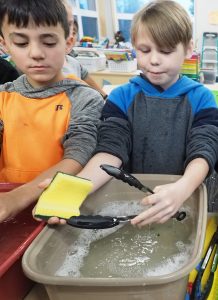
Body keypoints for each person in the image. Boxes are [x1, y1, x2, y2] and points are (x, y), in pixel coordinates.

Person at [46, 0, 218, 226]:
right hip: (136, 202)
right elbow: (110, 151)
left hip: (187, 197)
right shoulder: (121, 97)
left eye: (166, 50)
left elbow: (204, 150)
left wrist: (183, 188)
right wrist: (76, 187)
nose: (154, 60)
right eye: (144, 50)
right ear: (134, 46)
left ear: (188, 48)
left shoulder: (201, 98)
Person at [0, 0, 104, 223]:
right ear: (5, 45)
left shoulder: (84, 98)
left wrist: (18, 198)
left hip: (59, 210)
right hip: (7, 209)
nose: (36, 53)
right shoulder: (3, 97)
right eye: (21, 42)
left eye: (48, 42)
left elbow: (78, 155)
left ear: (68, 42)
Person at [62, 0, 107, 98]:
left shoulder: (73, 62)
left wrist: (104, 97)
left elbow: (86, 77)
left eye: (74, 33)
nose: (71, 37)